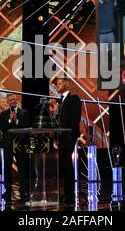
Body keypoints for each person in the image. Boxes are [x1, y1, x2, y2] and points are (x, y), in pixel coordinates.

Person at [55, 78, 82, 206]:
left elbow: (75, 117)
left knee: (67, 164)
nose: (57, 86)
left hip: (68, 136)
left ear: (66, 85)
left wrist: (70, 134)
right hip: (61, 137)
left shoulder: (73, 98)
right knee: (64, 165)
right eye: (57, 84)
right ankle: (66, 192)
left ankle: (70, 194)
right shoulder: (60, 101)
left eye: (60, 84)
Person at [0, 94, 30, 202]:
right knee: (7, 168)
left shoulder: (24, 112)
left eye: (14, 99)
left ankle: (24, 191)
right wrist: (10, 120)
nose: (12, 101)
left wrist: (16, 121)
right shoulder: (3, 114)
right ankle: (7, 191)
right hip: (8, 143)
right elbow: (2, 128)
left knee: (22, 167)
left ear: (16, 100)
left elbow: (26, 126)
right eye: (10, 100)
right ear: (7, 102)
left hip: (20, 143)